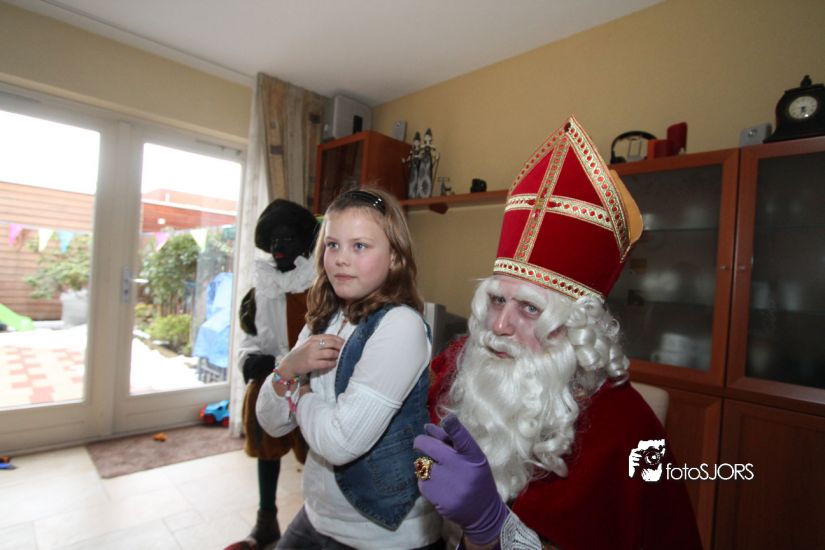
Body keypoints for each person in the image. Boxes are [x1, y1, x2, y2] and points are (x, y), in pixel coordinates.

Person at [414, 116, 702, 550]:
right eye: (497, 299)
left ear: (579, 327)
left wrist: (494, 529)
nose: (499, 326)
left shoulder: (630, 431)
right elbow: (418, 461)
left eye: (530, 308)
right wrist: (424, 474)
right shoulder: (461, 364)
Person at [256, 188, 442, 549]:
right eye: (333, 245)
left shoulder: (400, 326)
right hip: (319, 515)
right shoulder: (323, 318)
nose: (341, 259)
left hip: (382, 533)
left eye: (360, 246)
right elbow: (272, 422)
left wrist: (301, 391)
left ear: (394, 257)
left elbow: (340, 442)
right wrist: (290, 367)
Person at [226, 199, 318, 550]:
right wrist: (250, 360)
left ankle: (315, 525)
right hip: (271, 383)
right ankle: (266, 521)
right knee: (267, 448)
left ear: (303, 243)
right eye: (274, 239)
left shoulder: (317, 288)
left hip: (310, 385)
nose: (279, 245)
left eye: (288, 238)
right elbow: (250, 338)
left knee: (315, 456)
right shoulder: (259, 290)